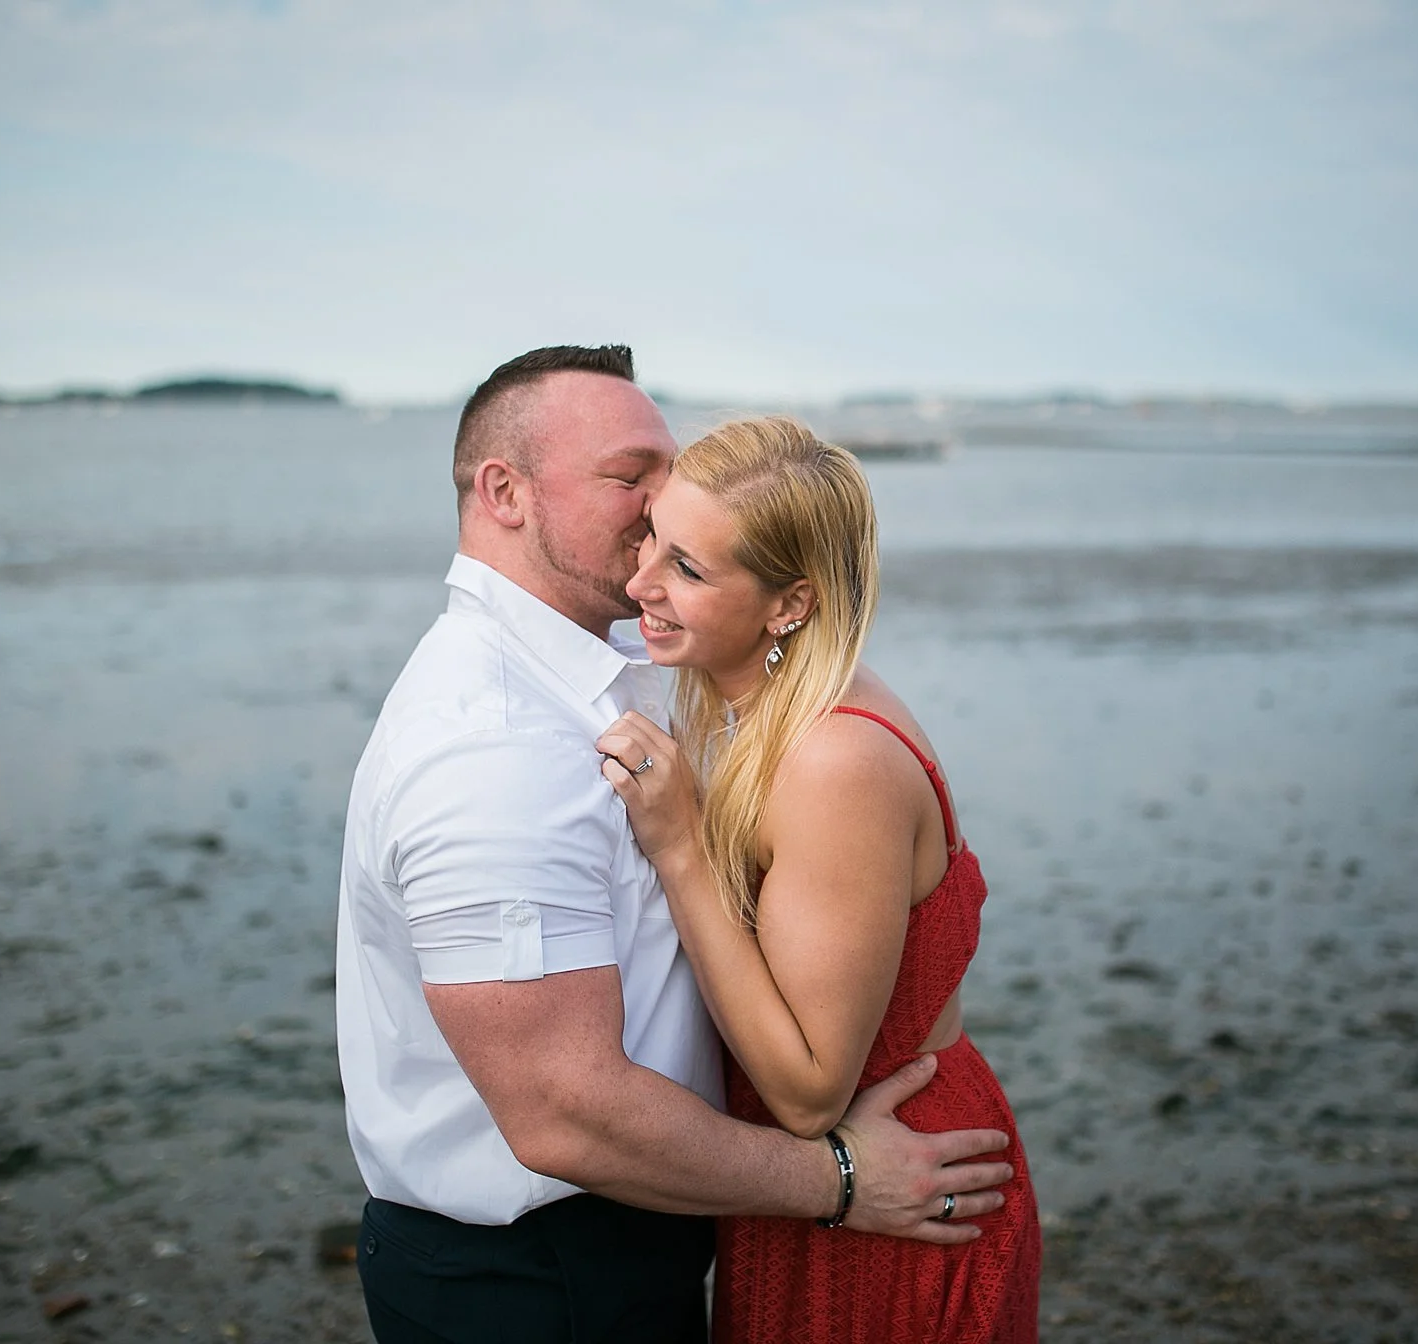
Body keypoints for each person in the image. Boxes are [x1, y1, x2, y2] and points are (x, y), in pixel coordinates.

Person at [335, 347, 1016, 1344]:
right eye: (630, 478)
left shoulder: (642, 664)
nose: (658, 508)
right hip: (545, 1275)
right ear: (504, 492)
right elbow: (563, 1112)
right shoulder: (494, 746)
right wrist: (833, 1180)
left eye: (670, 480)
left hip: (801, 1192)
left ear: (788, 603)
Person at [594, 415, 1040, 1342]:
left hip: (897, 1185)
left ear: (789, 605)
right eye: (651, 538)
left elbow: (808, 1094)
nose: (640, 583)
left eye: (688, 569)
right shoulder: (753, 699)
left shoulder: (833, 764)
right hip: (825, 1184)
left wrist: (680, 848)